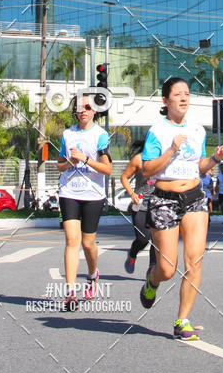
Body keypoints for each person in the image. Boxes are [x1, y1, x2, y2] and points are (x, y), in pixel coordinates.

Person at [139, 77, 223, 340]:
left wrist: (214, 158)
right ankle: (152, 280)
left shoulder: (198, 130)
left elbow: (198, 167)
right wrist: (170, 150)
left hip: (194, 198)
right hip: (165, 199)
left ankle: (182, 320)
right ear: (165, 101)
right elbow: (147, 170)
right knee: (167, 269)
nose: (183, 98)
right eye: (177, 94)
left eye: (187, 94)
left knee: (195, 261)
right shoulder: (157, 131)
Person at [57, 94, 113, 310]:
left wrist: (85, 159)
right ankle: (71, 294)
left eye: (88, 107)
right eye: (80, 107)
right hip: (69, 192)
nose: (83, 111)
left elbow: (107, 169)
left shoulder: (100, 135)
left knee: (87, 243)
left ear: (95, 111)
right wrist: (70, 161)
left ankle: (92, 275)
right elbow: (59, 165)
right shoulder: (67, 134)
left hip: (92, 195)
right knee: (72, 241)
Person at [120, 139, 157, 274]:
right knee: (143, 240)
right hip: (140, 205)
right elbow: (124, 177)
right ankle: (132, 254)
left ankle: (152, 270)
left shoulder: (164, 159)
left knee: (156, 242)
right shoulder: (138, 159)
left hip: (158, 205)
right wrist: (132, 194)